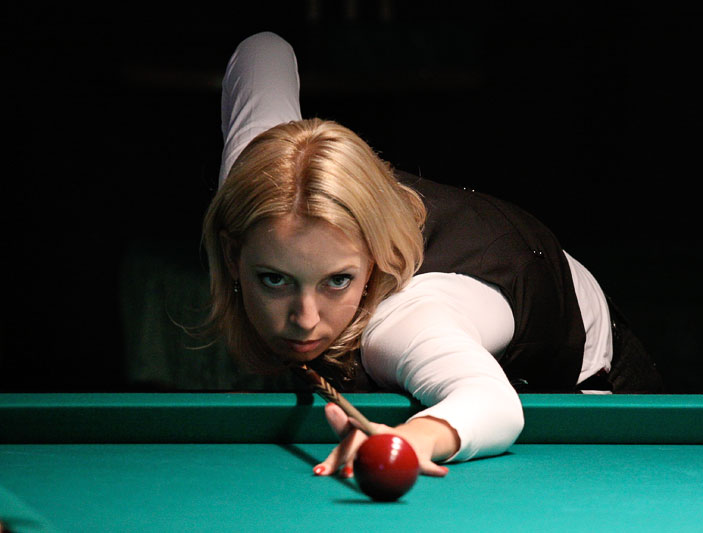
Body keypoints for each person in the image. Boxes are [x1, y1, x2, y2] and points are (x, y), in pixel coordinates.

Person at [202, 32, 663, 478]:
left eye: (338, 280)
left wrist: (409, 440)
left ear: (372, 260)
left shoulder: (405, 320)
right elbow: (264, 50)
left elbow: (493, 404)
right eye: (275, 279)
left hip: (580, 365)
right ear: (232, 253)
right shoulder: (261, 189)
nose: (305, 320)